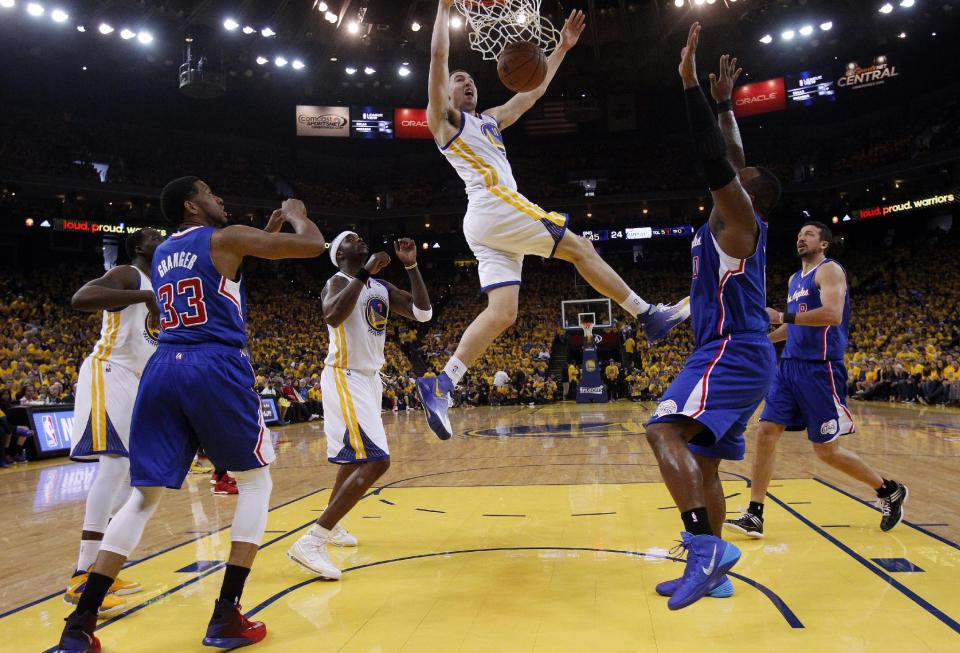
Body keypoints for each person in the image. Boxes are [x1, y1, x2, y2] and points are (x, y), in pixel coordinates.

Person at [56, 178, 324, 653]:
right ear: (191, 205)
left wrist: (261, 231)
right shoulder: (224, 237)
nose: (220, 198)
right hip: (213, 363)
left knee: (143, 497)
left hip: (162, 369)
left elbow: (219, 272)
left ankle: (79, 627)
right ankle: (226, 615)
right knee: (256, 482)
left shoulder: (159, 256)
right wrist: (298, 212)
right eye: (210, 193)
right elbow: (312, 245)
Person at [416, 0, 688, 439]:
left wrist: (561, 48)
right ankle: (648, 314)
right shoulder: (443, 121)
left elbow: (533, 93)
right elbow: (438, 58)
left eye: (470, 80)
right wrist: (445, 7)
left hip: (486, 225)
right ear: (445, 93)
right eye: (457, 80)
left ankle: (442, 382)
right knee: (582, 247)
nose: (465, 82)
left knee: (503, 312)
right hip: (495, 205)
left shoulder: (489, 122)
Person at [644, 26, 782, 610]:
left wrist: (689, 86)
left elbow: (713, 155)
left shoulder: (739, 220)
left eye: (737, 177)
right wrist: (727, 102)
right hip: (739, 351)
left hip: (731, 348)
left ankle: (701, 548)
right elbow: (730, 152)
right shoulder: (731, 223)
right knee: (704, 463)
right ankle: (714, 572)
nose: (732, 169)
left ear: (745, 196)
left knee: (662, 430)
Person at [725, 222, 908, 538]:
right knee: (766, 431)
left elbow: (832, 314)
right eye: (798, 234)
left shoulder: (830, 270)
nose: (800, 238)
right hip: (789, 368)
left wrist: (782, 316)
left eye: (808, 234)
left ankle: (888, 489)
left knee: (826, 451)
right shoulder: (796, 279)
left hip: (820, 369)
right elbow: (795, 326)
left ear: (824, 244)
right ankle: (755, 513)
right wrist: (763, 341)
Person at [288, 233, 432, 579]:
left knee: (358, 458)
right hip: (344, 375)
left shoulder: (380, 286)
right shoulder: (336, 281)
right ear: (340, 254)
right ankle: (312, 540)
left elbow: (422, 314)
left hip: (369, 379)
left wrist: (411, 266)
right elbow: (333, 316)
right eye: (352, 239)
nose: (361, 240)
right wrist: (365, 273)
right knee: (377, 461)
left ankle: (331, 524)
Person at [64, 227, 164, 616]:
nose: (163, 238)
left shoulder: (160, 284)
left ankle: (99, 566)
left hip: (137, 382)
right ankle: (82, 574)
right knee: (115, 466)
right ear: (140, 247)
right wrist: (144, 295)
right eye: (156, 235)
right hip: (109, 371)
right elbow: (82, 297)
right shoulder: (129, 274)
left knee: (131, 474)